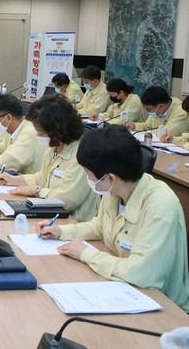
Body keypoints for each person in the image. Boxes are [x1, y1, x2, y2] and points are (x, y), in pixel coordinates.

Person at [36, 125, 189, 312]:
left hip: (163, 307)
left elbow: (142, 273)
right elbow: (100, 226)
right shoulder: (115, 191)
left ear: (110, 177)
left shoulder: (160, 205)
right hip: (124, 289)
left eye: (88, 174)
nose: (88, 180)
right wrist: (61, 231)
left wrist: (87, 254)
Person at [0, 95, 100, 222]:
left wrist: (36, 191)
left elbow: (67, 200)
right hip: (53, 216)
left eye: (40, 132)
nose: (37, 135)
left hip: (75, 222)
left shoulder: (81, 153)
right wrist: (14, 179)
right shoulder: (53, 147)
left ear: (57, 129)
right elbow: (42, 178)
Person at [124, 86, 189, 139]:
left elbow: (166, 134)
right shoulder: (158, 109)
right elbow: (148, 126)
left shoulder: (181, 112)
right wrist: (134, 126)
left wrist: (148, 133)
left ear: (161, 106)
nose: (148, 111)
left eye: (149, 109)